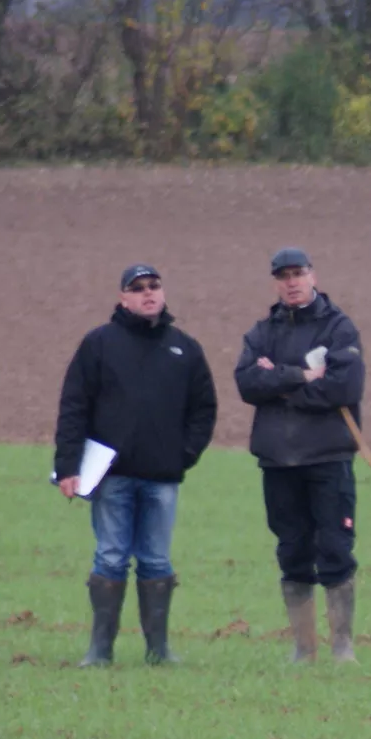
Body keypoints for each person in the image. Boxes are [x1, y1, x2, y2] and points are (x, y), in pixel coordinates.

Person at [53, 263, 217, 666]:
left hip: (162, 478)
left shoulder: (184, 348)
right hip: (112, 476)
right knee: (110, 557)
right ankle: (100, 651)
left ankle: (158, 651)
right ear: (123, 297)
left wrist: (183, 455)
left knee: (156, 559)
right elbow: (74, 406)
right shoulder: (99, 344)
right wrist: (68, 465)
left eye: (154, 286)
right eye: (138, 287)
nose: (148, 293)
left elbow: (204, 409)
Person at [233, 247, 366, 662]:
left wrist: (280, 385)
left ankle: (342, 648)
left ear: (313, 276)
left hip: (328, 458)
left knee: (335, 549)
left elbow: (344, 387)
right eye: (283, 276)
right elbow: (247, 383)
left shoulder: (338, 328)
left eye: (298, 274)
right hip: (278, 460)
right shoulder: (262, 332)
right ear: (276, 282)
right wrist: (302, 376)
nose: (291, 282)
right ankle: (304, 649)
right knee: (292, 551)